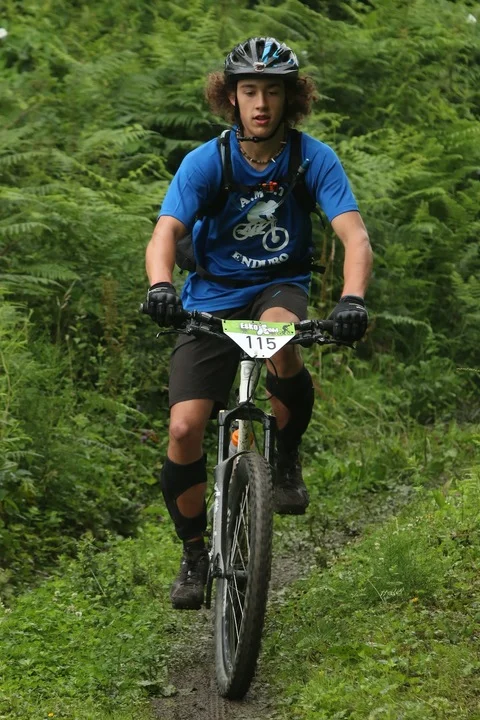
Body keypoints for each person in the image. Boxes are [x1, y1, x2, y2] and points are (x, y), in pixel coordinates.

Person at [144, 37, 372, 610]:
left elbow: (354, 236)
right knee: (183, 429)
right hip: (210, 296)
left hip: (278, 286)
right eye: (250, 91)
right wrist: (161, 286)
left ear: (292, 97)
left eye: (273, 91)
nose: (262, 103)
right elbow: (166, 232)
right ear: (232, 97)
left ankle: (285, 455)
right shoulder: (208, 160)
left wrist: (352, 300)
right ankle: (194, 552)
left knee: (280, 344)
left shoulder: (313, 159)